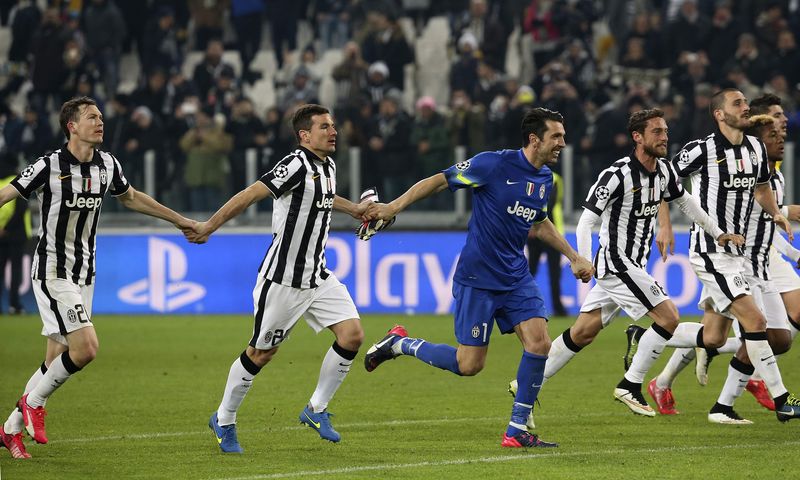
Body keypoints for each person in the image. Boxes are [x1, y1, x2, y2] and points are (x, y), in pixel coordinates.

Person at [361, 108, 595, 448]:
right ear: (534, 140)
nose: (562, 143)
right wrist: (394, 207)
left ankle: (516, 430)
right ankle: (400, 344)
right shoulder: (493, 164)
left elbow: (539, 222)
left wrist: (573, 255)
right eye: (556, 137)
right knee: (469, 364)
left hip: (516, 276)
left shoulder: (544, 179)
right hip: (478, 277)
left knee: (540, 343)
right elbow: (439, 180)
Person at [508, 109, 743, 425]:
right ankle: (631, 384)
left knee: (583, 332)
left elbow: (687, 203)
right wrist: (582, 258)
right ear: (638, 137)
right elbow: (587, 221)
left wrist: (718, 233)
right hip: (617, 264)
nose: (664, 137)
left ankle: (525, 385)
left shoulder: (664, 173)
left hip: (631, 264)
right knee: (669, 317)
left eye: (665, 131)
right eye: (657, 132)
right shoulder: (616, 175)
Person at [0, 97, 195, 460]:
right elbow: (7, 194)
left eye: (101, 117)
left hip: (84, 274)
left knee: (54, 359)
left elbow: (133, 198)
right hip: (52, 270)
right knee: (86, 348)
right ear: (71, 126)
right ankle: (35, 404)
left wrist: (180, 220)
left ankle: (10, 429)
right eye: (92, 117)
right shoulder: (48, 165)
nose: (100, 122)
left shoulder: (107, 164)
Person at [185, 104, 369, 453]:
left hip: (317, 274)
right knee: (261, 353)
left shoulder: (327, 165)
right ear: (304, 135)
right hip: (283, 279)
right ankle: (223, 419)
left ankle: (316, 409)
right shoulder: (294, 164)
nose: (333, 132)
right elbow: (251, 194)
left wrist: (355, 209)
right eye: (324, 127)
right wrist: (210, 225)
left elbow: (325, 198)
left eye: (333, 126)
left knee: (352, 335)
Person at [649, 88, 800, 424]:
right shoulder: (701, 150)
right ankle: (781, 399)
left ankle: (652, 340)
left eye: (746, 103)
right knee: (755, 322)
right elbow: (664, 179)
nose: (745, 107)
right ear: (719, 114)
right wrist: (664, 224)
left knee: (732, 336)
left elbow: (762, 189)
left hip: (744, 255)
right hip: (711, 250)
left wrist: (776, 212)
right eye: (738, 103)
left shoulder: (756, 149)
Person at [0, 159, 31, 315]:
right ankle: (15, 305)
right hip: (17, 234)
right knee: (15, 270)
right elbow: (21, 210)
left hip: (3, 235)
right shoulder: (17, 181)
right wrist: (6, 229)